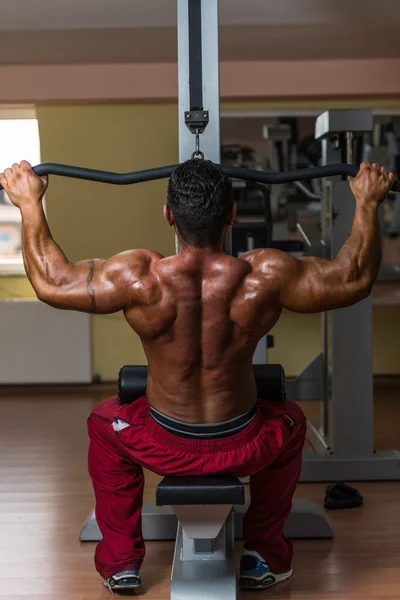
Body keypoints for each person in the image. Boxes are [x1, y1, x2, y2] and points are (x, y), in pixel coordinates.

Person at [0, 159, 394, 593]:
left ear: (168, 214)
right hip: (243, 441)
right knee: (291, 422)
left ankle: (121, 563)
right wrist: (367, 202)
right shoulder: (264, 275)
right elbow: (354, 277)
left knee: (104, 424)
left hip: (164, 443)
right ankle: (263, 554)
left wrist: (30, 202)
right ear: (231, 215)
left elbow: (52, 283)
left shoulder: (140, 277)